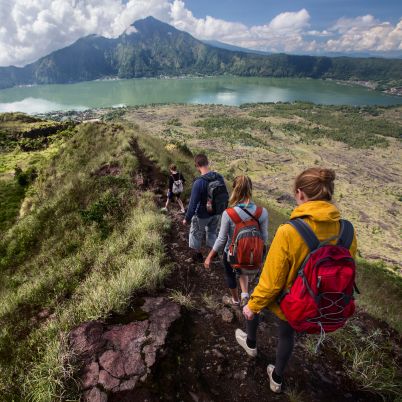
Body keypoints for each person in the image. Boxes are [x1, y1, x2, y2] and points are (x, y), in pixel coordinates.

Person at [236, 167, 357, 393]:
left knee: (256, 301)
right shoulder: (347, 230)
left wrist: (252, 307)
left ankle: (250, 343)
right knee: (286, 334)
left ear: (300, 194)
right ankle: (277, 379)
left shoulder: (289, 231)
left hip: (290, 302)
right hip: (321, 302)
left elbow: (271, 282)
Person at [204, 175, 268, 308]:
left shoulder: (229, 213)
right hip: (250, 254)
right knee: (243, 267)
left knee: (230, 275)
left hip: (231, 254)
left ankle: (236, 300)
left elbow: (221, 239)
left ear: (235, 190)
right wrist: (261, 257)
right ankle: (245, 294)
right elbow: (264, 237)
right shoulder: (262, 212)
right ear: (250, 189)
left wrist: (209, 257)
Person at [182, 154, 227, 263]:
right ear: (208, 162)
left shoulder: (199, 182)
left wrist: (187, 219)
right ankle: (214, 255)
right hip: (217, 213)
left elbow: (193, 204)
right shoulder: (219, 177)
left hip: (202, 215)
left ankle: (197, 255)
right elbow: (224, 195)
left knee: (195, 234)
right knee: (212, 233)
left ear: (197, 165)